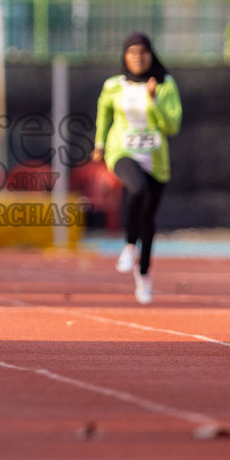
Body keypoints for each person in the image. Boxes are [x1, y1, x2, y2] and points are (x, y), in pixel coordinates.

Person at [93, 32, 183, 304]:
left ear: (151, 55)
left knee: (149, 220)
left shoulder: (165, 85)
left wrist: (153, 100)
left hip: (155, 157)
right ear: (124, 57)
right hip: (122, 150)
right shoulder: (113, 86)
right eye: (132, 53)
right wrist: (99, 141)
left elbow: (172, 126)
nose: (138, 58)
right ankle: (129, 244)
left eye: (143, 53)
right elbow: (104, 110)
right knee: (136, 187)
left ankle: (143, 273)